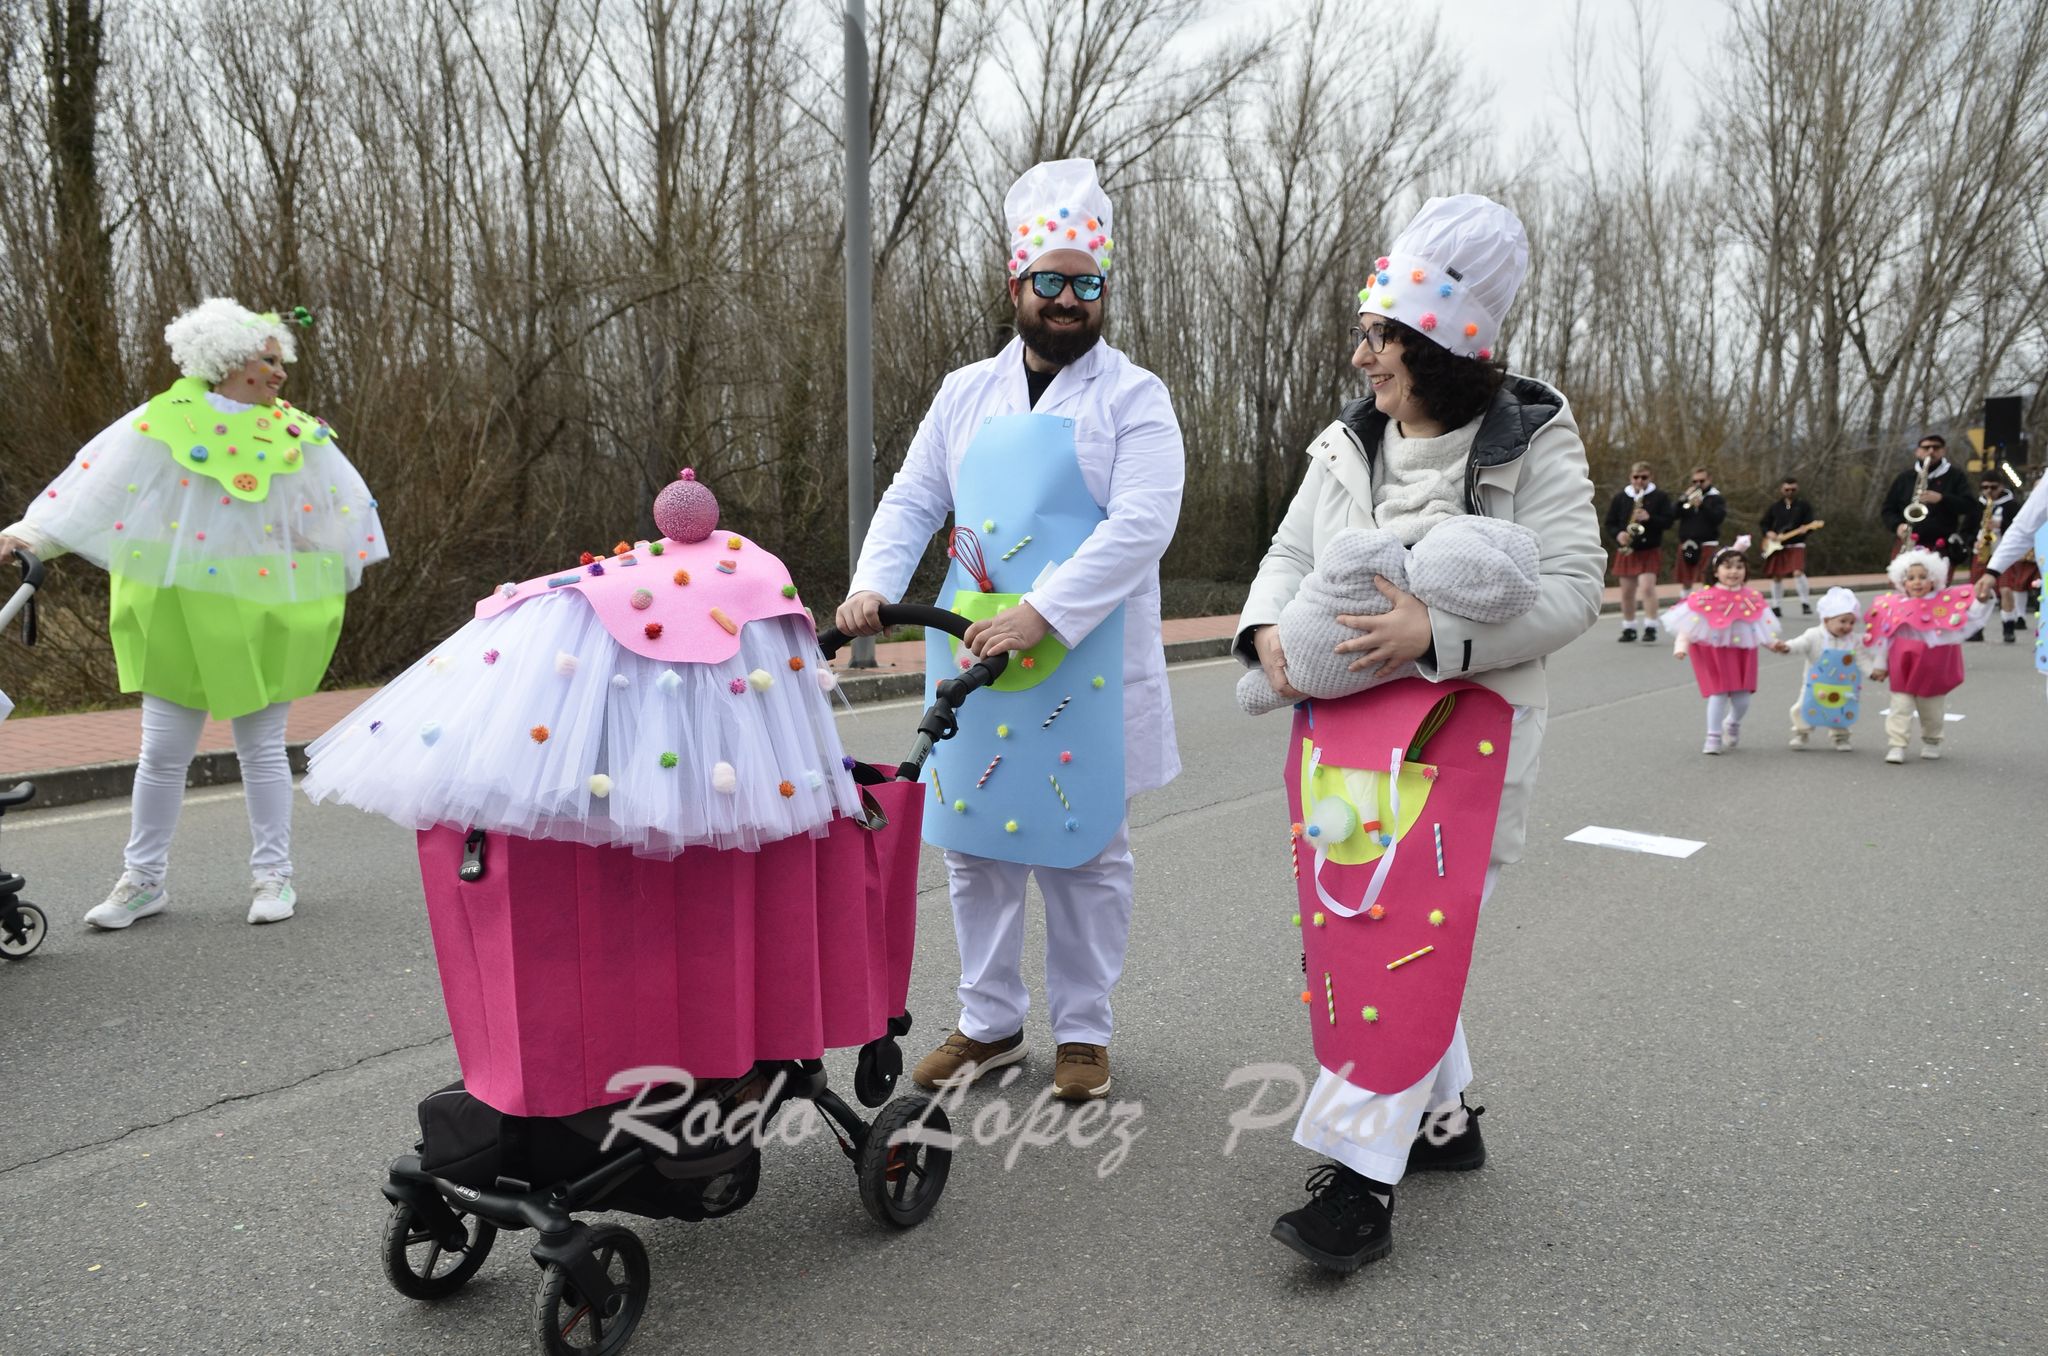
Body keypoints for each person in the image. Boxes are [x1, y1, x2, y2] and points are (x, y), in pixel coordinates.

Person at [1234, 194, 1603, 1273]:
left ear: (1435, 342)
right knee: (1362, 928)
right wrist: (1262, 628)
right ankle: (1441, 1122)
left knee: (1400, 938)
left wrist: (1429, 631)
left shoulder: (1532, 438)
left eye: (1378, 337)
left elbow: (1575, 587)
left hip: (1465, 738)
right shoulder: (1347, 442)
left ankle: (1357, 1184)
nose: (1361, 359)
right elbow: (1290, 555)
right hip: (1342, 735)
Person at [834, 159, 1183, 1103]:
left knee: (1086, 847)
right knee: (974, 838)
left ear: (1103, 291)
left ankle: (1083, 1032)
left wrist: (1046, 612)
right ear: (1016, 284)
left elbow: (1142, 524)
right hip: (970, 647)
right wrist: (872, 586)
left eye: (1088, 284)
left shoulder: (1134, 397)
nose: (1069, 300)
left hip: (1085, 657)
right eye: (1051, 282)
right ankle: (988, 1024)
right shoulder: (962, 394)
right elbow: (914, 499)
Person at [0, 299, 386, 929]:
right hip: (177, 605)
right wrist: (31, 534)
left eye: (280, 360)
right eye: (269, 359)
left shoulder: (297, 433)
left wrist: (309, 542)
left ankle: (274, 878)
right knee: (161, 753)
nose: (281, 373)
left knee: (260, 749)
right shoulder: (166, 420)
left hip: (265, 606)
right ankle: (143, 880)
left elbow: (336, 512)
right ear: (230, 360)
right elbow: (96, 485)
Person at [1863, 549, 1991, 763]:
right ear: (1902, 582)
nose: (1917, 582)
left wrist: (1982, 600)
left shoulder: (1944, 603)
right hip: (1902, 664)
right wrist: (1880, 665)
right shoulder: (1894, 606)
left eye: (1923, 577)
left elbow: (1969, 615)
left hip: (1933, 666)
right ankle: (1897, 744)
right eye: (1911, 578)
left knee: (1931, 709)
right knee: (1900, 706)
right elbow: (1886, 638)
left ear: (1934, 579)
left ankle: (1932, 740)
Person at [1664, 541, 1781, 753]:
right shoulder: (1705, 597)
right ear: (1716, 571)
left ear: (1745, 571)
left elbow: (1759, 625)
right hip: (1716, 653)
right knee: (1718, 694)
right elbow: (1688, 625)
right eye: (1728, 566)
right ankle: (1713, 736)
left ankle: (1733, 723)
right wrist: (1681, 646)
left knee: (1742, 698)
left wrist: (1773, 643)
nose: (1734, 571)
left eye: (1739, 566)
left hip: (1743, 652)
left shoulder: (1752, 598)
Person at [1781, 586, 1862, 751]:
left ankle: (1840, 737)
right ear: (1826, 620)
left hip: (1842, 684)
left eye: (1851, 622)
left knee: (1840, 709)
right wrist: (1787, 647)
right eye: (1843, 621)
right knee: (1804, 707)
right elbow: (1800, 644)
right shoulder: (1814, 635)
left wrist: (1874, 670)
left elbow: (1862, 658)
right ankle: (1801, 732)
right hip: (1814, 684)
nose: (1847, 626)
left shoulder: (1852, 640)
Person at [1880, 434, 1975, 569]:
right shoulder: (1905, 478)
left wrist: (1942, 498)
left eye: (1936, 447)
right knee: (1901, 585)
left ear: (1943, 451)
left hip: (1941, 543)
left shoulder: (1955, 476)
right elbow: (1888, 509)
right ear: (1917, 451)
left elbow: (1969, 505)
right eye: (1926, 447)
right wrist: (1897, 526)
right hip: (1908, 541)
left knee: (1937, 588)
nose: (1931, 451)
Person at [1604, 462, 1671, 641]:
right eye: (1636, 477)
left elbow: (1668, 522)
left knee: (1647, 588)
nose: (1639, 481)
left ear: (1651, 477)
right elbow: (1609, 522)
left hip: (1649, 548)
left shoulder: (1660, 497)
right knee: (1626, 592)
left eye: (1644, 477)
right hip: (1627, 549)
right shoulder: (1621, 498)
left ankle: (1650, 626)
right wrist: (1618, 535)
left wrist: (1650, 518)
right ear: (1630, 477)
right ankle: (1629, 627)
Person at [1967, 473, 2033, 643]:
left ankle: (2008, 626)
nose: (1989, 491)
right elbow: (1966, 529)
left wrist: (2001, 524)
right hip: (1981, 553)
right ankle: (1976, 628)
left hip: (2003, 553)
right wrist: (1972, 542)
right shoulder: (1976, 505)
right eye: (1985, 487)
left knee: (2006, 590)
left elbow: (2022, 529)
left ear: (2001, 487)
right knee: (1979, 592)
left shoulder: (2012, 505)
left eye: (1993, 487)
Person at [1757, 475, 1819, 616]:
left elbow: (1811, 523)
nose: (1790, 492)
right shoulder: (1775, 507)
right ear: (1782, 489)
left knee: (1798, 571)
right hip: (1778, 545)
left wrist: (1806, 529)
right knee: (1777, 575)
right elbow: (1764, 523)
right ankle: (1776, 606)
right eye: (1787, 489)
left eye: (1793, 489)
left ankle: (1805, 603)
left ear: (1797, 489)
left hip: (1797, 543)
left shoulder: (1804, 506)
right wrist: (1769, 533)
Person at [1672, 465, 1726, 591]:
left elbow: (1718, 518)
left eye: (1701, 481)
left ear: (1709, 479)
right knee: (1686, 579)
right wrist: (1682, 500)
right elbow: (1673, 515)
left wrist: (1702, 506)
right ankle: (1685, 607)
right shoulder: (1687, 498)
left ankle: (1707, 607)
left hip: (1707, 544)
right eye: (1695, 481)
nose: (1698, 484)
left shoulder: (1716, 498)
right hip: (1687, 544)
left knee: (1706, 579)